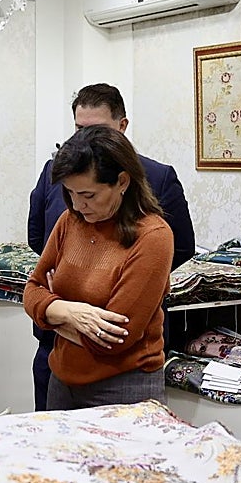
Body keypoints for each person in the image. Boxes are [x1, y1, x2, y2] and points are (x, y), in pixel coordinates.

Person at [26, 82, 195, 410]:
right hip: (62, 378)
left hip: (123, 389)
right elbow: (31, 289)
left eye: (87, 195)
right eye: (70, 195)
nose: (77, 205)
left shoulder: (152, 235)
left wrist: (50, 310)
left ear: (121, 182)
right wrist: (71, 311)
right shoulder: (71, 219)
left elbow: (114, 338)